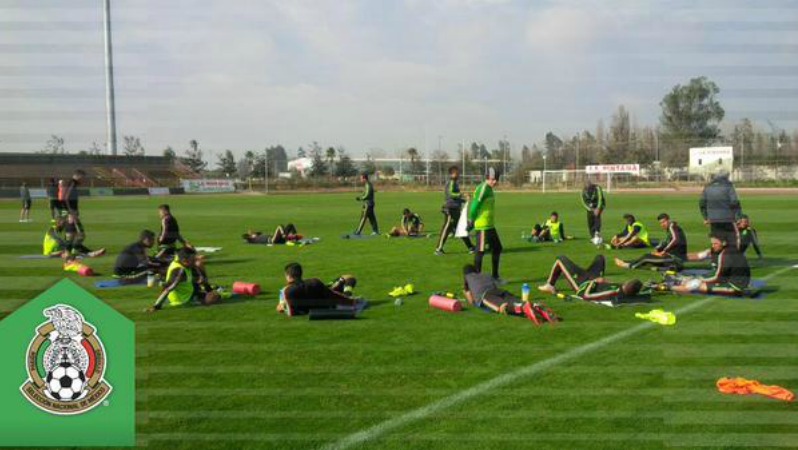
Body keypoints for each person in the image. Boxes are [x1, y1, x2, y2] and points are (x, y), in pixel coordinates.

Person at [462, 264, 555, 322]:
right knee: (515, 300)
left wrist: (473, 302)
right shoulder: (485, 274)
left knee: (502, 308)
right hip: (499, 291)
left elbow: (470, 297)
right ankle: (535, 305)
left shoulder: (467, 277)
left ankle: (523, 309)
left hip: (486, 296)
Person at [670, 234, 750, 296]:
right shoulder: (730, 249)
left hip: (736, 287)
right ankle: (679, 283)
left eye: (715, 243)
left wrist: (699, 279)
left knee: (696, 284)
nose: (713, 246)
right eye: (712, 243)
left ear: (723, 243)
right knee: (698, 281)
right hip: (734, 281)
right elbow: (700, 256)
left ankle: (669, 287)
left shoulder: (725, 255)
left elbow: (717, 277)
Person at [538, 255, 643, 302]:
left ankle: (550, 285)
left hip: (583, 284)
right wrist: (605, 281)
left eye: (628, 282)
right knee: (600, 258)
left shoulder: (613, 292)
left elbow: (586, 296)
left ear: (627, 287)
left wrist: (593, 282)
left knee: (560, 259)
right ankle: (583, 272)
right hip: (593, 278)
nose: (626, 281)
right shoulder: (621, 288)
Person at [148, 249, 219, 312]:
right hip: (184, 300)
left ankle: (210, 292)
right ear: (185, 261)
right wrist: (156, 306)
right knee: (214, 297)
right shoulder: (180, 271)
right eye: (192, 260)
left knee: (211, 292)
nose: (194, 262)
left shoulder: (180, 262)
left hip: (186, 294)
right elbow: (168, 289)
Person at [276, 262, 358, 316]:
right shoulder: (314, 282)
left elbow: (287, 310)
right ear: (300, 274)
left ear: (288, 276)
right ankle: (348, 293)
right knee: (349, 278)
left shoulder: (285, 291)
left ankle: (341, 290)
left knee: (341, 281)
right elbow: (332, 295)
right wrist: (351, 301)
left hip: (322, 296)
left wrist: (283, 307)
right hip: (327, 296)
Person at [614, 213, 687, 270]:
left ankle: (628, 265)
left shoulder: (672, 226)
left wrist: (664, 251)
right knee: (649, 255)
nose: (662, 224)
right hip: (671, 257)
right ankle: (626, 261)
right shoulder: (670, 229)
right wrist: (659, 250)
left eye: (664, 222)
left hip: (675, 260)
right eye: (661, 223)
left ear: (668, 220)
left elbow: (675, 239)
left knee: (646, 258)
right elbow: (667, 242)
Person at [469, 167, 503, 281]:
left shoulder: (489, 189)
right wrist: (471, 220)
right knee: (480, 251)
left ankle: (495, 277)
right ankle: (476, 280)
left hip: (490, 225)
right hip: (483, 226)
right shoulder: (483, 188)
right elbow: (474, 205)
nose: (495, 181)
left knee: (497, 248)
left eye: (496, 179)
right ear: (487, 178)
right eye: (493, 179)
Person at [435, 166, 474, 255]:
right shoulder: (451, 182)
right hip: (450, 209)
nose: (458, 174)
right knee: (446, 228)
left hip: (456, 209)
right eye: (457, 172)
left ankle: (471, 247)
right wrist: (463, 194)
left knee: (461, 229)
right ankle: (438, 249)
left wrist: (464, 200)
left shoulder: (455, 183)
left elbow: (455, 197)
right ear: (452, 174)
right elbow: (451, 194)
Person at [700, 171, 742, 249]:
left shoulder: (708, 187)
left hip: (713, 219)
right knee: (732, 241)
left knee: (716, 241)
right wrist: (738, 217)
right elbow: (734, 202)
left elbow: (702, 203)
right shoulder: (729, 186)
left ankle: (716, 260)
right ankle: (731, 259)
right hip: (728, 219)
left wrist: (705, 217)